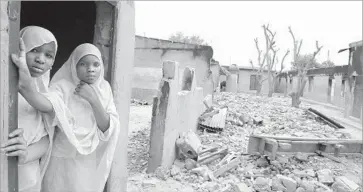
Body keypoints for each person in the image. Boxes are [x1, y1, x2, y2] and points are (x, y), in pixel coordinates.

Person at [13, 43, 120, 192]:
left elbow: (108, 129)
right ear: (73, 65)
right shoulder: (61, 87)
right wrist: (26, 88)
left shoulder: (105, 89)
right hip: (60, 161)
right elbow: (48, 105)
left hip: (88, 163)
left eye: (96, 64)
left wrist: (93, 99)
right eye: (83, 64)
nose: (90, 69)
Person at [0, 26, 58, 192]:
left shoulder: (50, 97)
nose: (41, 59)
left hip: (27, 178)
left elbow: (46, 140)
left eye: (48, 55)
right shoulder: (4, 89)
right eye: (34, 50)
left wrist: (26, 154)